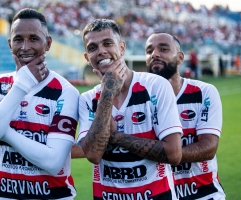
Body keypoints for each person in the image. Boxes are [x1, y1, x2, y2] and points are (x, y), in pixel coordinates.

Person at [0, 8, 79, 200]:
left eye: (33, 38)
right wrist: (21, 86)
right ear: (9, 44)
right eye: (18, 39)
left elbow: (53, 162)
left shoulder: (65, 92)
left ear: (48, 43)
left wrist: (1, 129)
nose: (25, 47)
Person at [76, 19, 183, 200]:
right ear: (87, 58)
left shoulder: (156, 86)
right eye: (93, 47)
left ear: (122, 48)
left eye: (108, 43)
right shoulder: (86, 99)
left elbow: (173, 154)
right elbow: (93, 154)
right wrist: (107, 93)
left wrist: (116, 137)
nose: (101, 51)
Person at [145, 32, 225, 199]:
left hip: (203, 193)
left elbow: (208, 147)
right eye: (149, 50)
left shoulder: (203, 92)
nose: (155, 54)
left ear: (180, 57)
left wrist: (164, 153)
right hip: (160, 195)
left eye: (163, 49)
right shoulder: (138, 100)